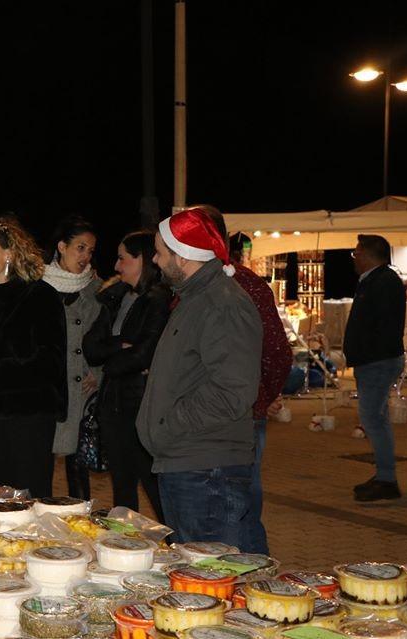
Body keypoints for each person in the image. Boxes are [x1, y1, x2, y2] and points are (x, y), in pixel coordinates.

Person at [136, 207, 262, 550]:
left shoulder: (222, 303)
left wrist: (169, 424)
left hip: (207, 473)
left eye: (161, 253)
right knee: (197, 578)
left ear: (184, 255)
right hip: (190, 465)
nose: (156, 262)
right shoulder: (195, 299)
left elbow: (233, 391)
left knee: (213, 580)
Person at [0, 217, 67, 497]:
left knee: (28, 498)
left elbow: (50, 363)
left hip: (30, 416)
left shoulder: (41, 295)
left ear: (9, 254)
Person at [204, 208, 291, 555]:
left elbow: (277, 353)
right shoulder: (191, 287)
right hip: (211, 418)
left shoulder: (245, 285)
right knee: (228, 506)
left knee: (240, 504)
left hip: (238, 417)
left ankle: (254, 582)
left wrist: (258, 397)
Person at [83, 231, 170, 518]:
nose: (117, 266)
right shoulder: (117, 297)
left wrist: (113, 359)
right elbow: (91, 347)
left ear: (142, 260)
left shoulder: (158, 298)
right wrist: (120, 346)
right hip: (114, 406)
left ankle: (172, 547)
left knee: (154, 488)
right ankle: (126, 550)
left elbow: (145, 353)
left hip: (141, 406)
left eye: (123, 258)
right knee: (122, 490)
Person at [42, 217, 102, 499]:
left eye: (90, 250)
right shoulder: (39, 286)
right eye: (80, 248)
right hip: (48, 387)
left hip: (81, 388)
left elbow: (106, 337)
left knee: (78, 467)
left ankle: (81, 519)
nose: (85, 256)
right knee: (41, 462)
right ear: (61, 247)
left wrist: (98, 373)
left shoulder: (96, 288)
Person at [343, 234, 406, 502]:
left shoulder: (382, 282)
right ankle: (385, 476)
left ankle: (386, 478)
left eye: (357, 253)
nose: (354, 258)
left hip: (376, 362)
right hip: (374, 360)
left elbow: (381, 326)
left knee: (372, 420)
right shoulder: (378, 281)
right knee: (375, 419)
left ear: (368, 255)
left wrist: (364, 354)